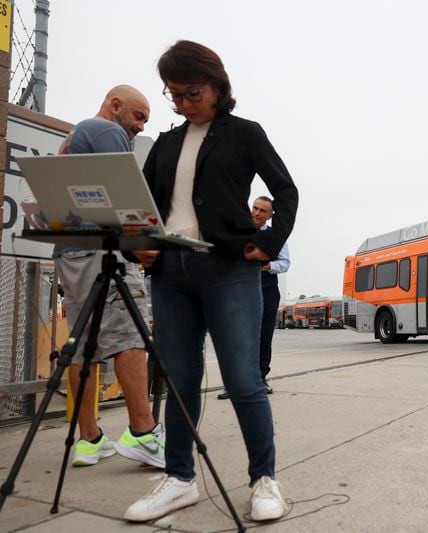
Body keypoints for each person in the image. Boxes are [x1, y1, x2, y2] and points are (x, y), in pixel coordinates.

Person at [124, 41, 299, 523]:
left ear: (218, 86)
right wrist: (135, 242)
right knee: (180, 381)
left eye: (191, 92)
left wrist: (268, 243)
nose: (182, 103)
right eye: (174, 95)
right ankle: (179, 479)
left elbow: (285, 190)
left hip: (228, 269)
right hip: (170, 272)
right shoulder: (165, 143)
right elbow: (138, 203)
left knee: (243, 378)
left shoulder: (245, 134)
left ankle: (265, 478)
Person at [54, 85, 165, 469]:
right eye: (138, 117)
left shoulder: (74, 138)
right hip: (106, 251)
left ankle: (89, 440)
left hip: (72, 251)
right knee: (130, 338)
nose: (138, 127)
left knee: (82, 345)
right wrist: (146, 246)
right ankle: (143, 432)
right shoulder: (106, 130)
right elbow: (123, 195)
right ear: (115, 106)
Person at [218, 196, 290, 400]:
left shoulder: (276, 236)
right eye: (255, 208)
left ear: (269, 216)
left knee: (264, 336)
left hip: (267, 289)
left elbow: (285, 263)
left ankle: (260, 378)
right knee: (237, 336)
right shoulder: (239, 231)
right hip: (239, 289)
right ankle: (232, 382)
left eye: (262, 211)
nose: (257, 213)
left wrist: (269, 266)